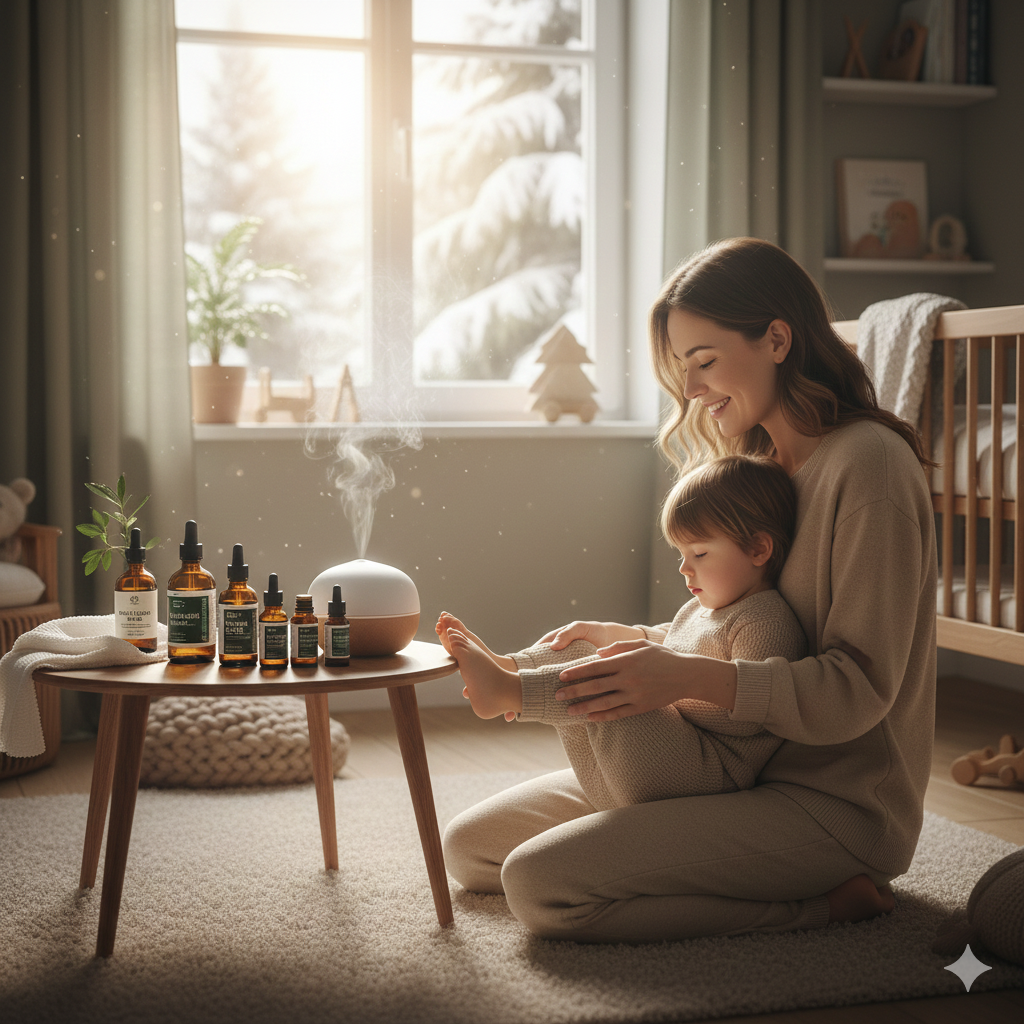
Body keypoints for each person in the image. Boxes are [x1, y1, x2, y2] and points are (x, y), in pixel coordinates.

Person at [439, 237, 937, 944]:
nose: (693, 389)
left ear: (775, 339)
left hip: (829, 806)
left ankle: (825, 904)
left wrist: (680, 678)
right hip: (724, 774)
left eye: (704, 361)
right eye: (683, 369)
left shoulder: (870, 468)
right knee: (471, 847)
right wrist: (637, 643)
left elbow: (857, 689)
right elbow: (733, 628)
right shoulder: (759, 465)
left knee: (539, 885)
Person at [436, 453, 807, 811]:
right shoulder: (703, 606)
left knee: (620, 678)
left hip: (706, 777)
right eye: (680, 554)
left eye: (699, 554)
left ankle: (506, 691)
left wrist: (665, 683)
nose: (684, 569)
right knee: (581, 644)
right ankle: (511, 668)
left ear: (758, 549)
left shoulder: (766, 620)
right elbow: (675, 644)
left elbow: (750, 716)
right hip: (628, 774)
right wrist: (613, 634)